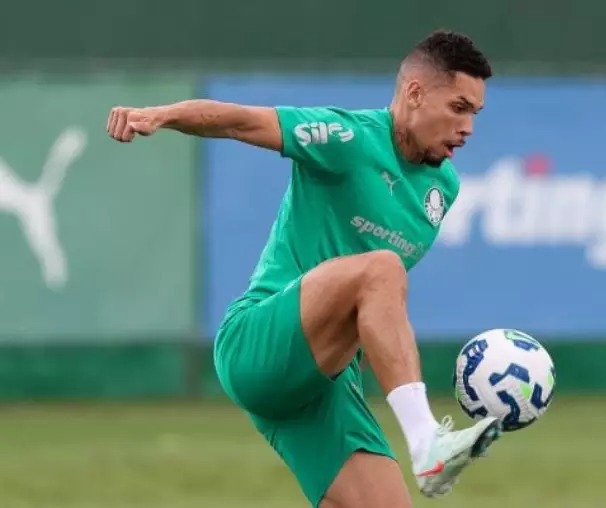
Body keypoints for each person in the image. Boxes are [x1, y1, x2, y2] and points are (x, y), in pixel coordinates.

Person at [106, 29, 501, 508]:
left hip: (323, 386)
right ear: (415, 93)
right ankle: (425, 441)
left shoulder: (444, 189)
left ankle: (422, 446)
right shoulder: (348, 138)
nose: (468, 127)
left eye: (475, 114)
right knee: (383, 269)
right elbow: (239, 122)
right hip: (257, 345)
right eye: (458, 107)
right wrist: (161, 115)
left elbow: (368, 316)